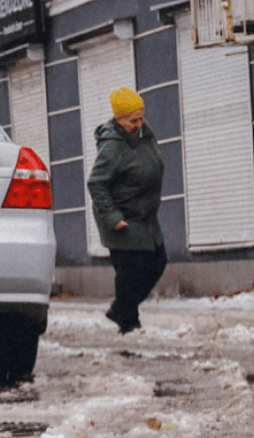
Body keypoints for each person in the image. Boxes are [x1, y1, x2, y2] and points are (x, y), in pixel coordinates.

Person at [87, 86, 167, 334]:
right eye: (133, 120)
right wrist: (113, 217)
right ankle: (128, 322)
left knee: (157, 262)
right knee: (129, 272)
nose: (139, 123)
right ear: (119, 119)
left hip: (145, 216)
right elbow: (96, 183)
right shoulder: (113, 147)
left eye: (141, 117)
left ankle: (120, 310)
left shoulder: (145, 133)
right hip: (122, 217)